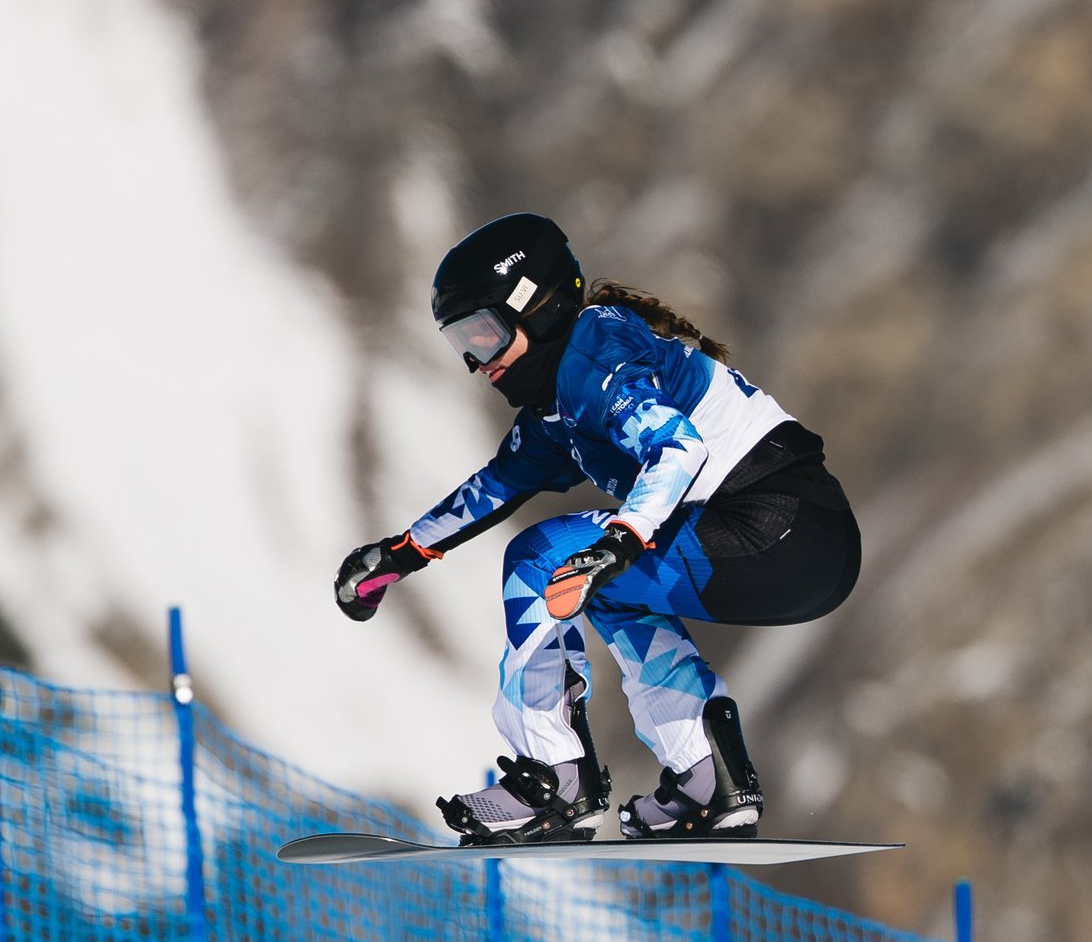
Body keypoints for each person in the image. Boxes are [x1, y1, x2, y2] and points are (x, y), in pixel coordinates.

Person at [335, 213, 860, 844]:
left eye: (487, 336)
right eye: (463, 345)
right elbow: (497, 485)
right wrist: (402, 553)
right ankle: (707, 778)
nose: (480, 363)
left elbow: (677, 447)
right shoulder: (559, 400)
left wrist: (619, 539)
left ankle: (558, 782)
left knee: (542, 558)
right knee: (599, 583)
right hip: (805, 543)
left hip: (777, 527)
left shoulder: (593, 353)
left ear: (538, 307)